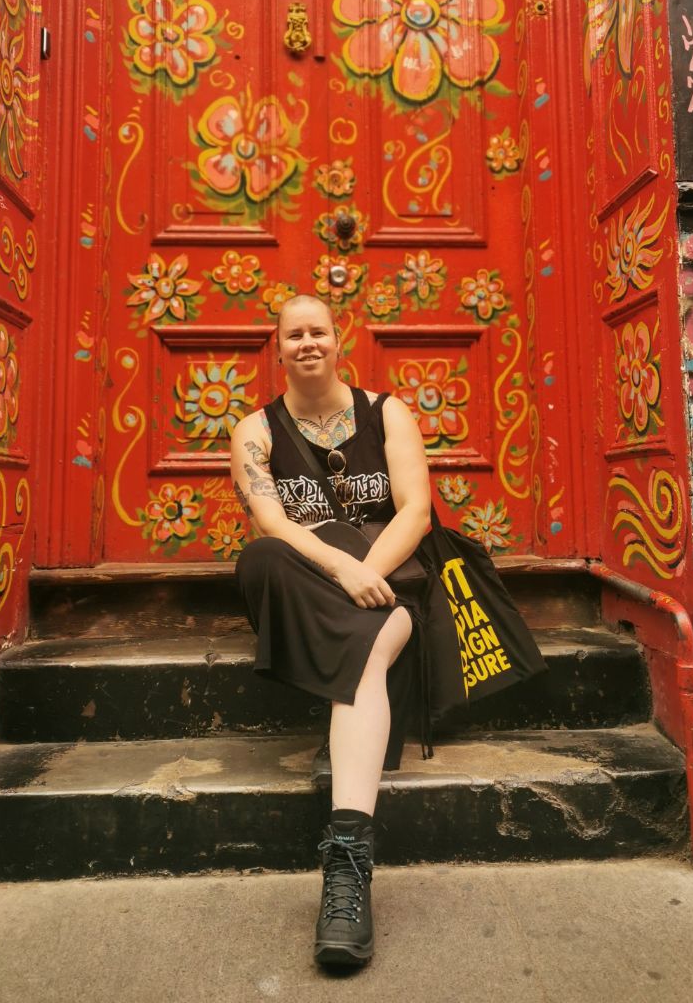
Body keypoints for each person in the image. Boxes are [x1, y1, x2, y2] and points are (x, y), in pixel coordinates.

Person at [230, 293, 432, 969]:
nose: (307, 343)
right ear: (278, 349)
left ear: (339, 341)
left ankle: (347, 867)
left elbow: (416, 513)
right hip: (320, 581)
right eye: (294, 335)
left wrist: (367, 572)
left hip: (391, 582)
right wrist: (343, 570)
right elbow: (273, 524)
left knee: (365, 648)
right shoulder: (254, 431)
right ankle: (348, 867)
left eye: (318, 331)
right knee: (261, 558)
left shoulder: (387, 412)